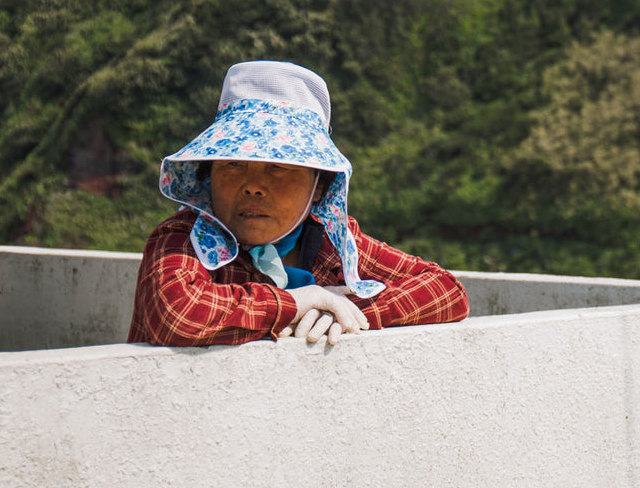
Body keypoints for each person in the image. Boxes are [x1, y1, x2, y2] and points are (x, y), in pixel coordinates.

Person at [128, 60, 468, 347]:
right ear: (208, 175)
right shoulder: (185, 239)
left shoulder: (332, 242)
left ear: (319, 187)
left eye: (279, 168)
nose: (254, 187)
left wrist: (344, 311)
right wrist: (295, 302)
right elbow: (176, 313)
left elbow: (446, 291)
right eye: (233, 165)